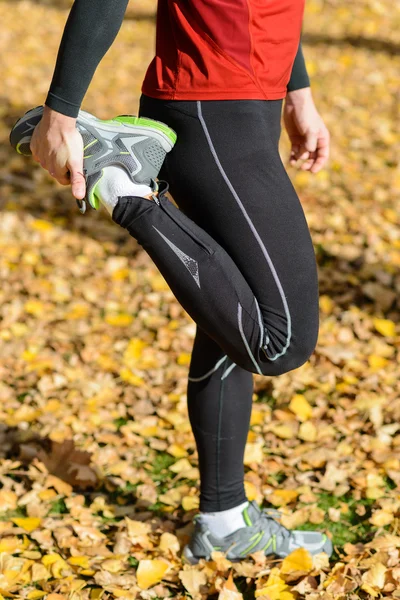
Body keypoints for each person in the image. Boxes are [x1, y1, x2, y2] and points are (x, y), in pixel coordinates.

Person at [11, 0, 332, 562]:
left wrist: (296, 89)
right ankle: (127, 192)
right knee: (279, 339)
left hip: (247, 99)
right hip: (213, 102)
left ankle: (225, 522)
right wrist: (61, 111)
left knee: (230, 313)